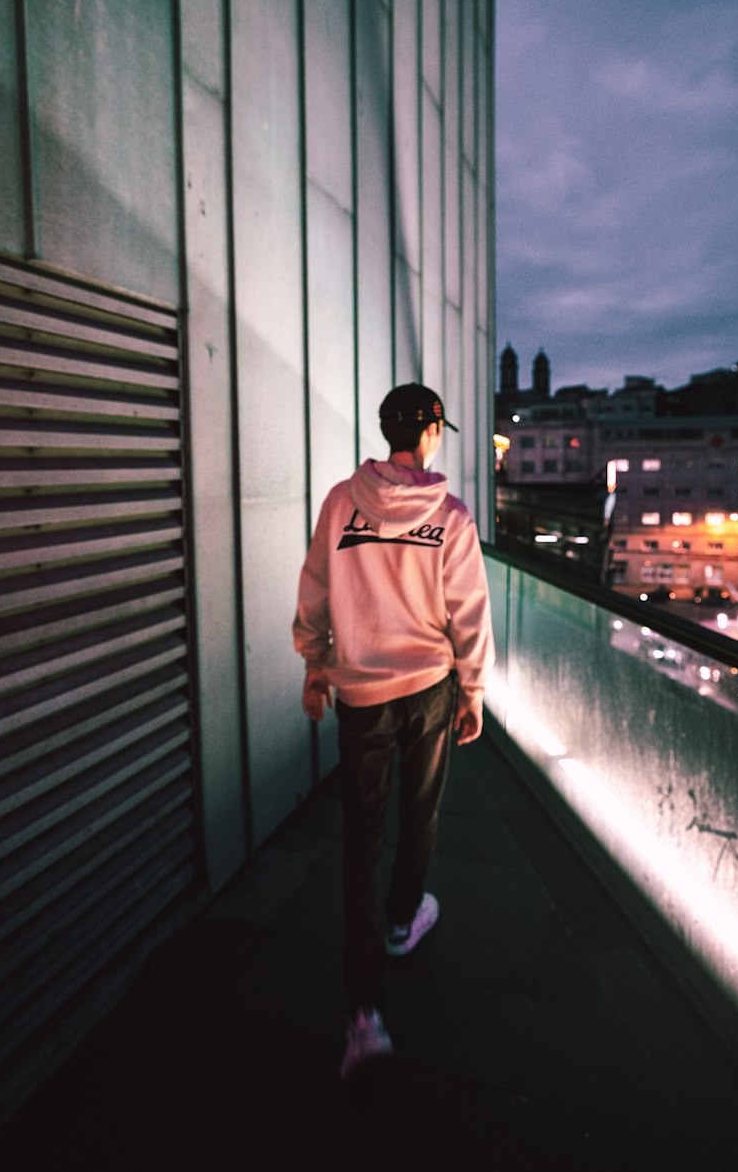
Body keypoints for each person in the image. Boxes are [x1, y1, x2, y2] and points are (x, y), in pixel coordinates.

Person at [292, 383, 495, 1080]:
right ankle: (404, 921)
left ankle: (362, 1016)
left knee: (361, 837)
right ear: (431, 430)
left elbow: (315, 588)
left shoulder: (342, 502)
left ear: (387, 434)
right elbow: (468, 613)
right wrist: (474, 690)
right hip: (429, 687)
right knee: (421, 813)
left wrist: (316, 666)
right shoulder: (451, 515)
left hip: (361, 694)